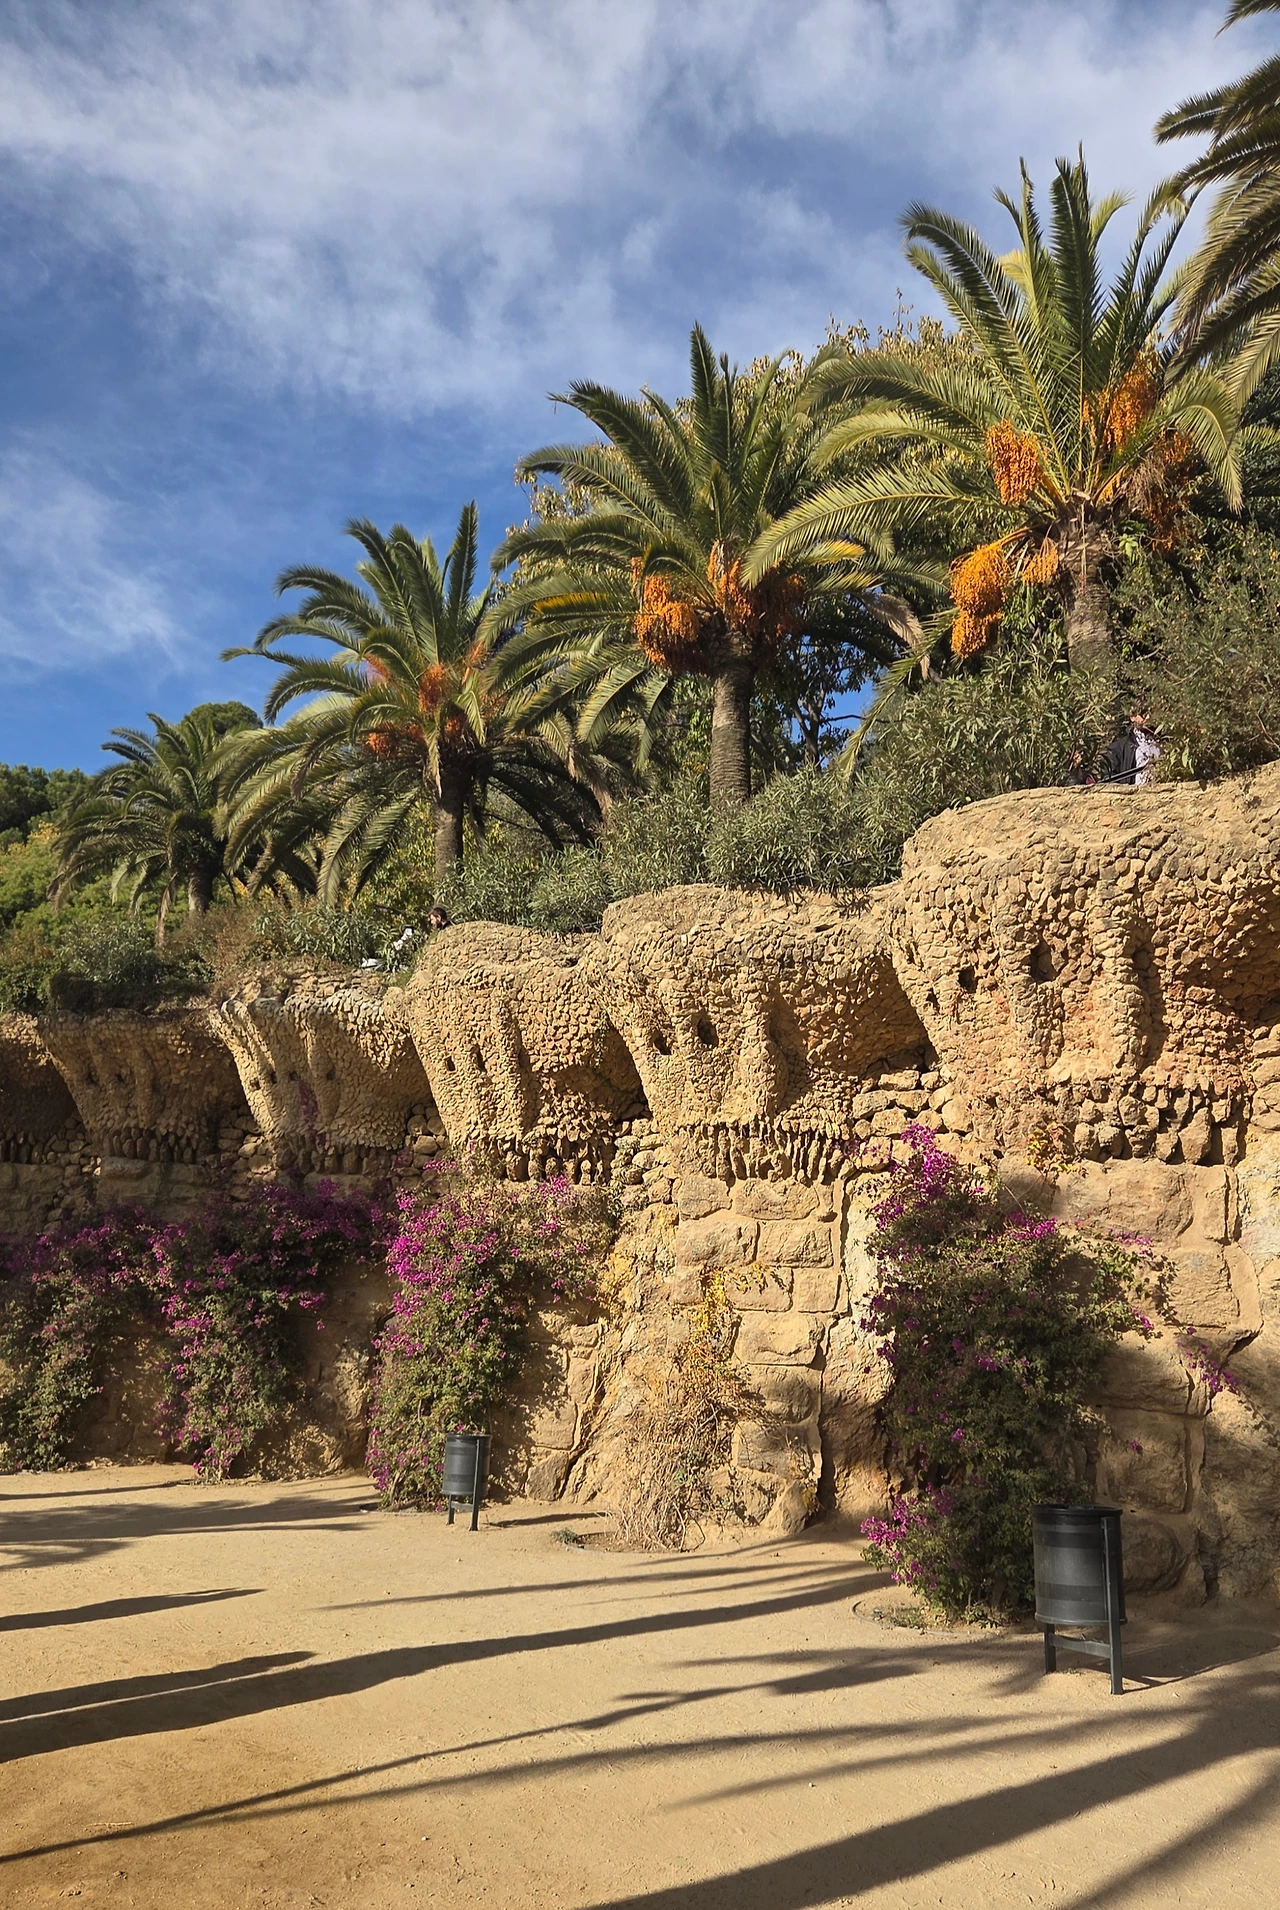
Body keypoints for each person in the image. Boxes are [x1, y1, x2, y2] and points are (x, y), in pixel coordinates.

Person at [1133, 713, 1161, 787]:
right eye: (1143, 714)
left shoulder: (1166, 741)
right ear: (1133, 717)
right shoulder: (1122, 747)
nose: (1148, 717)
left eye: (1150, 713)